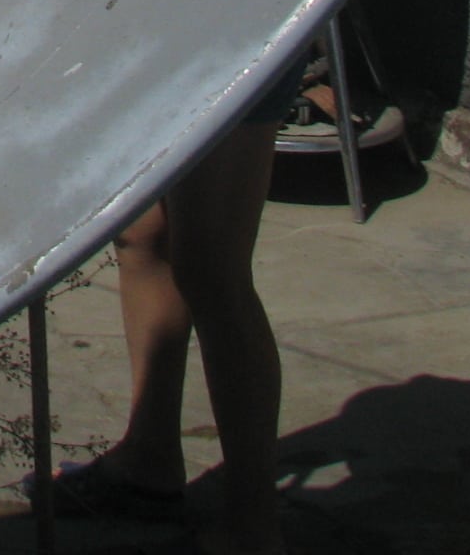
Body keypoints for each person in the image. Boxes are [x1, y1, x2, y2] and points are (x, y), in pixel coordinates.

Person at [33, 58, 303, 555]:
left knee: (213, 267)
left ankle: (252, 530)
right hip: (152, 37)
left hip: (231, 38)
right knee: (143, 235)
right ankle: (148, 459)